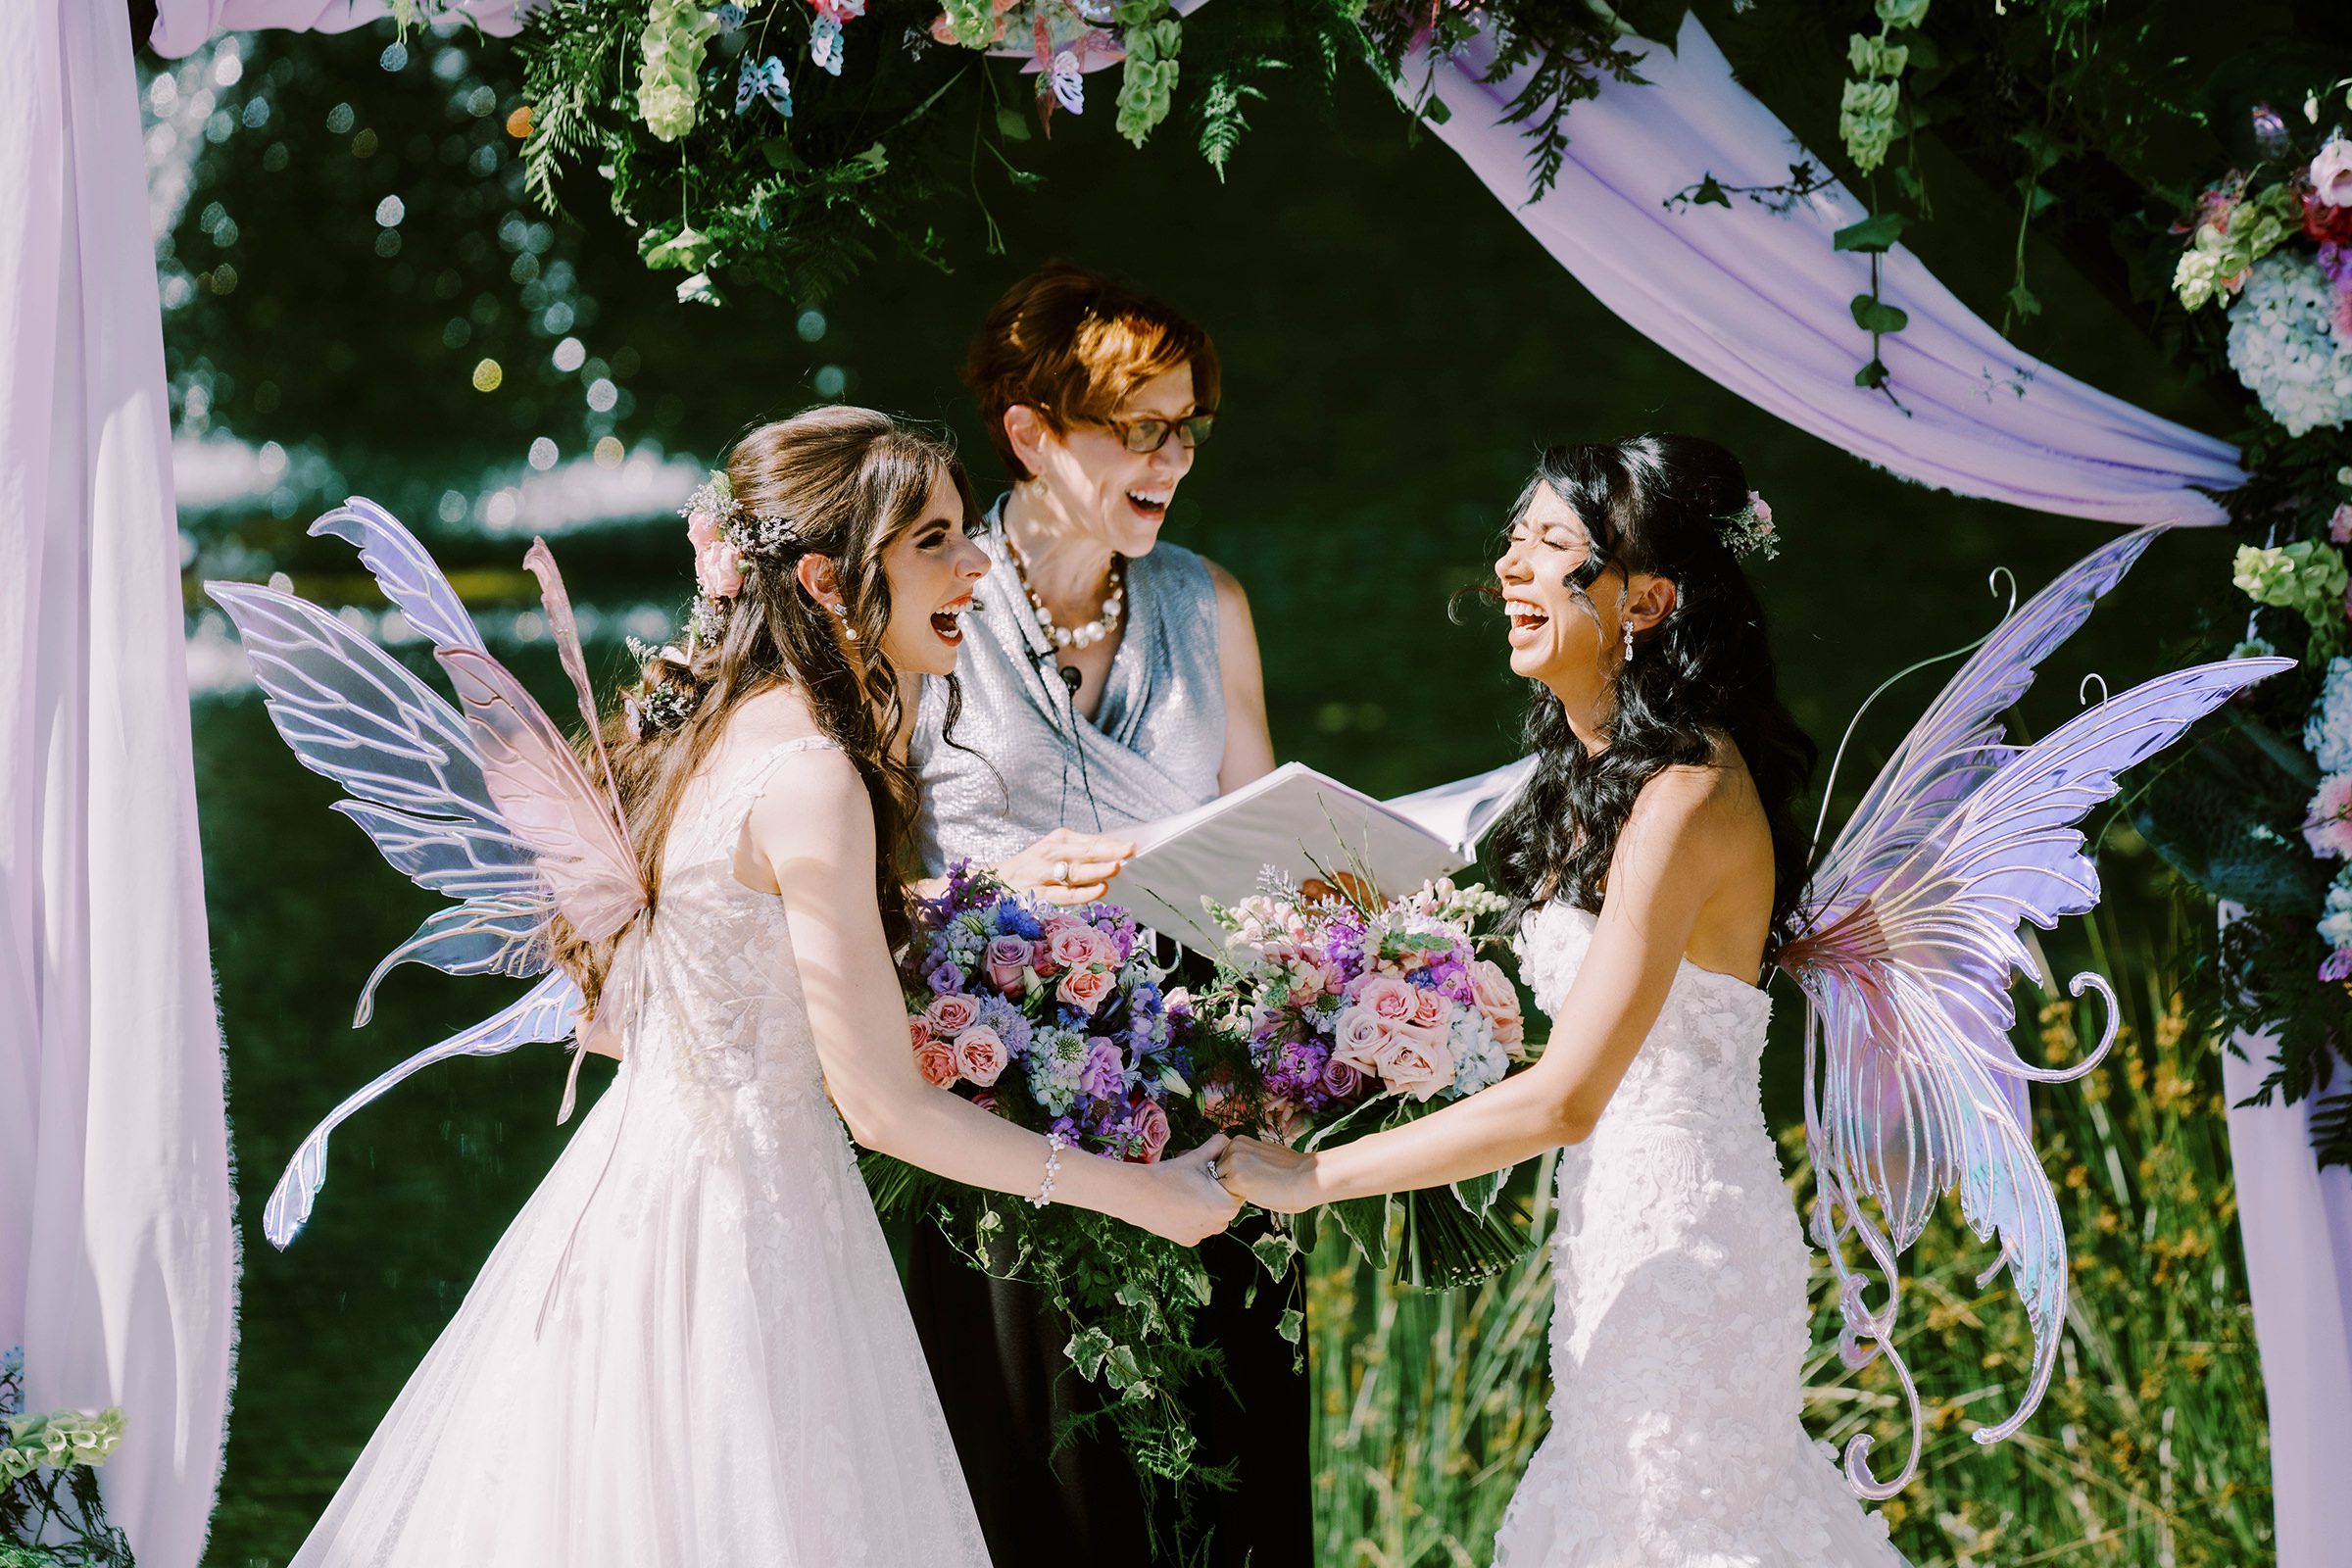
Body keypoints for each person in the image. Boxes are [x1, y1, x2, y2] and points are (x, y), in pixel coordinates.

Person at [285, 407, 1239, 1566]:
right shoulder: (819, 776)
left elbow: (746, 936)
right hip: (748, 1241)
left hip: (638, 1204)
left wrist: (980, 893)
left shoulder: (718, 729)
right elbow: (884, 1107)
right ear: (832, 581)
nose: (976, 561)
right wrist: (1141, 1194)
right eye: (935, 541)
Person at [1212, 436, 1909, 1565]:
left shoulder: (1688, 796)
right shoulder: (1589, 782)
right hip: (1611, 1228)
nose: (1507, 569)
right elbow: (1580, 1040)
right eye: (1513, 540)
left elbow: (1570, 1098)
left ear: (1645, 600)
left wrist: (1314, 1179)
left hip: (1686, 1247)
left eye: (1549, 547)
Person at [901, 264, 1302, 1565]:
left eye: (1186, 428)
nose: (1173, 456)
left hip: (1199, 1118)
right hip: (1004, 1124)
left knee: (1222, 1496)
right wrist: (1006, 892)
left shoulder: (1208, 603)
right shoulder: (929, 608)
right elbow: (860, 885)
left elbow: (1274, 872)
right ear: (1029, 432)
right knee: (1044, 1500)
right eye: (1141, 427)